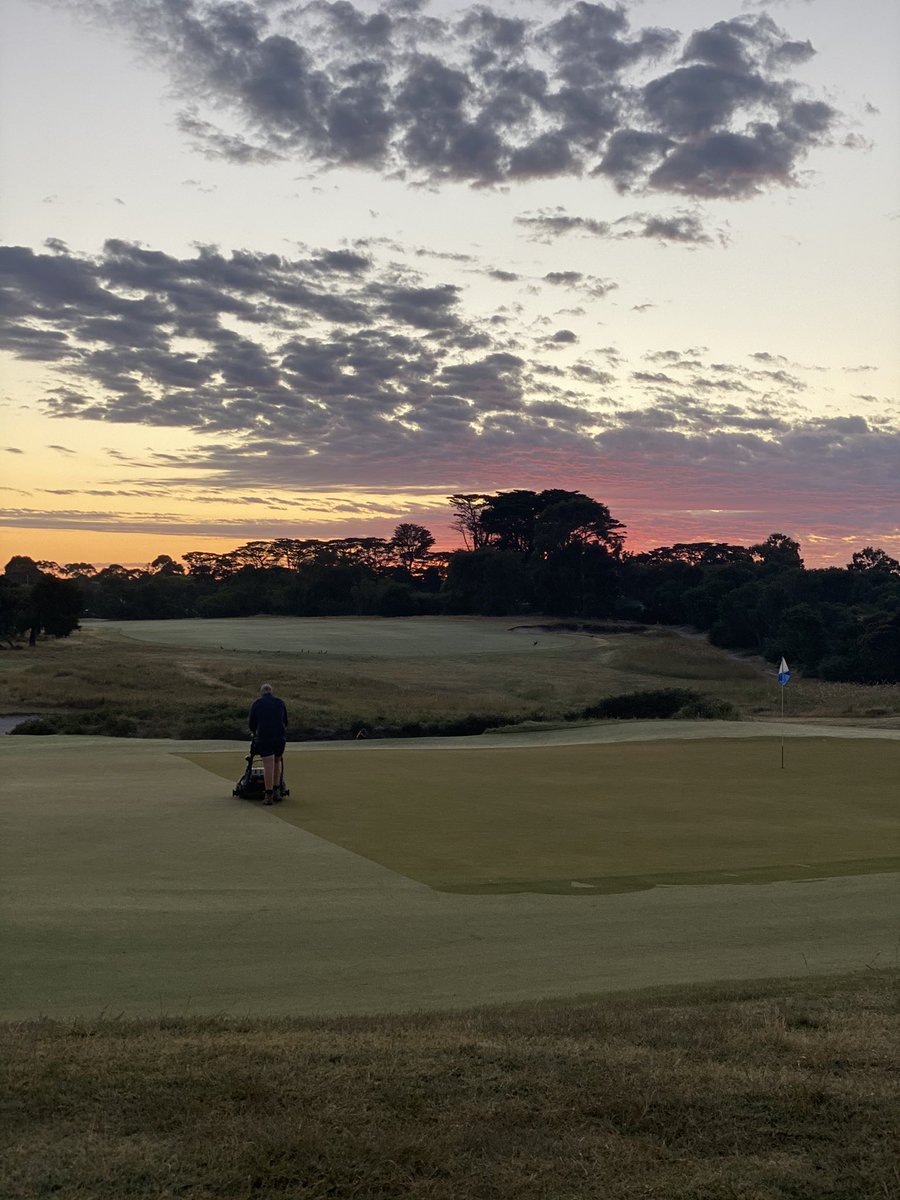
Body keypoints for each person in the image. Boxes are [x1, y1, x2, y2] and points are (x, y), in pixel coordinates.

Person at [248, 683, 288, 805]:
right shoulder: (280, 703)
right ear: (271, 692)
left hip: (265, 737)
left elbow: (252, 723)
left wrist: (254, 733)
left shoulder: (257, 704)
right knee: (277, 761)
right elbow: (285, 721)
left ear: (261, 693)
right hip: (279, 737)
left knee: (268, 765)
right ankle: (277, 791)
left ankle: (269, 794)